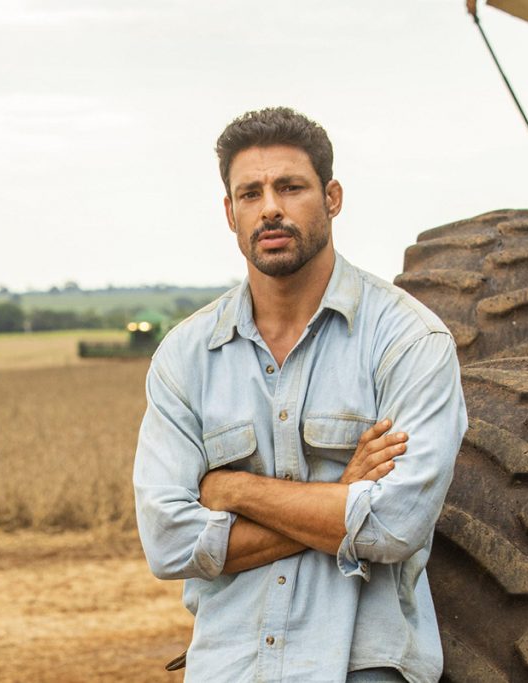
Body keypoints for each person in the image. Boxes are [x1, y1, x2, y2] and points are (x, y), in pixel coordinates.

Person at [132, 107, 467, 683]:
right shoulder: (185, 358)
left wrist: (231, 488)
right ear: (229, 212)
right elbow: (168, 543)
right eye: (250, 193)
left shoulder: (409, 340)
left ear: (332, 197)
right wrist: (340, 495)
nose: (270, 208)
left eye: (290, 187)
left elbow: (393, 524)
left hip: (363, 666)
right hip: (229, 666)